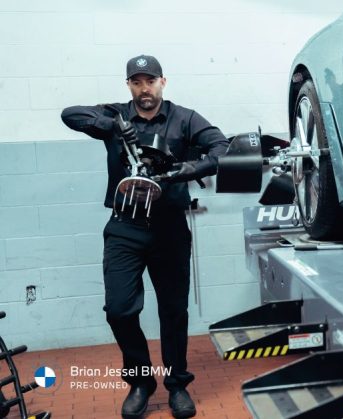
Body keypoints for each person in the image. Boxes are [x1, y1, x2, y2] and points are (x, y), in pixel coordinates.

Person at [61, 54, 229, 419]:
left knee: (173, 311)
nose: (144, 89)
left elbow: (221, 147)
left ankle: (177, 384)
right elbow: (69, 113)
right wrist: (110, 126)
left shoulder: (184, 118)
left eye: (150, 81)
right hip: (125, 227)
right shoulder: (116, 114)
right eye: (136, 82)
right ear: (129, 86)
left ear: (162, 82)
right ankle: (140, 382)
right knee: (119, 310)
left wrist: (189, 168)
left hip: (169, 226)